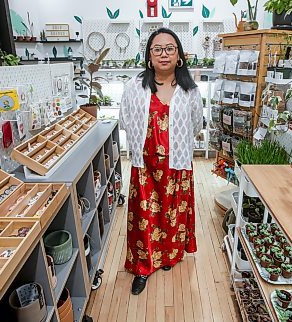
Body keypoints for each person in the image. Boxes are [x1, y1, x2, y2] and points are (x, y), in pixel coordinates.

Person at [119, 28, 203, 295]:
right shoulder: (134, 88)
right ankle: (143, 267)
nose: (163, 54)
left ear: (179, 56)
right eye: (157, 49)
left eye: (170, 48)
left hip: (176, 164)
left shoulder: (190, 91)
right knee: (145, 216)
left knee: (172, 214)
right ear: (149, 56)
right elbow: (124, 120)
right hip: (145, 166)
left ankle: (167, 256)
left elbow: (196, 125)